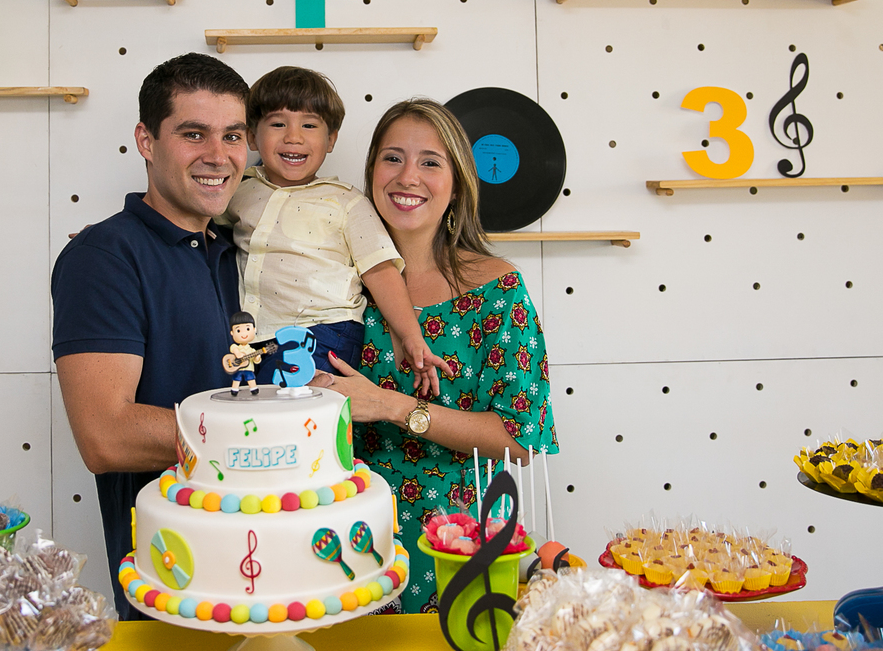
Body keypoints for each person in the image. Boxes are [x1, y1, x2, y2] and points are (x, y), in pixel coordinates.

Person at [313, 98, 559, 614]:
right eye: (392, 158)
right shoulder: (329, 281)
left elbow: (519, 440)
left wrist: (392, 405)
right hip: (336, 541)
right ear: (371, 171)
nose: (408, 177)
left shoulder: (497, 289)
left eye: (430, 162)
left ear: (458, 183)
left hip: (455, 545)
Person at [51, 52, 250, 619]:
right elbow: (105, 435)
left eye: (233, 136)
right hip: (174, 580)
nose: (218, 156)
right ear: (146, 141)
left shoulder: (232, 251)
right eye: (193, 134)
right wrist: (264, 439)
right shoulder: (104, 257)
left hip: (261, 560)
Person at [221, 66, 447, 394]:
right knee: (248, 402)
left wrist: (410, 337)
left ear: (331, 140)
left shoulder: (346, 202)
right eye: (278, 124)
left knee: (285, 404)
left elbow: (381, 272)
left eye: (309, 125)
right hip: (259, 338)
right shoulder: (238, 191)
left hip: (322, 331)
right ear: (252, 136)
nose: (293, 137)